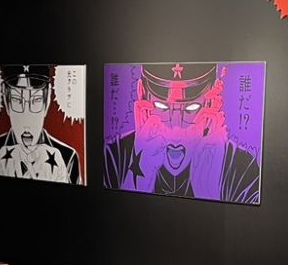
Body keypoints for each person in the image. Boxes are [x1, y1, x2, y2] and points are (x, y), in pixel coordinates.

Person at [103, 62, 261, 203]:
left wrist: (207, 192)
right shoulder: (115, 156)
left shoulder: (242, 167)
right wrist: (139, 175)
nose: (176, 127)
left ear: (212, 103)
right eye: (162, 107)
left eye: (191, 108)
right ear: (142, 93)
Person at [0, 64, 82, 183]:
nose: (26, 117)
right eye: (17, 100)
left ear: (47, 100)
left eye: (36, 100)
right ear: (7, 102)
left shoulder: (67, 157)